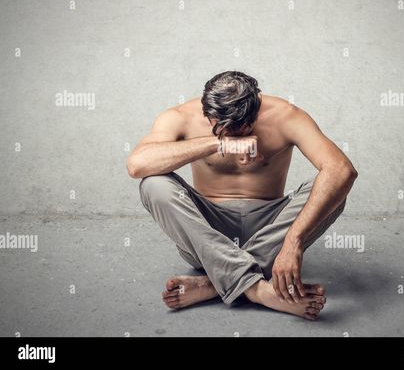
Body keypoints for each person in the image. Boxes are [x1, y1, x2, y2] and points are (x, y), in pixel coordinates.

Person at [127, 71, 358, 320]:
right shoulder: (181, 117)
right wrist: (218, 144)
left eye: (241, 129)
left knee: (333, 190)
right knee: (154, 184)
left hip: (271, 230)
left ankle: (213, 284)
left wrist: (293, 242)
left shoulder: (285, 115)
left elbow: (342, 170)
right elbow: (138, 164)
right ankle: (257, 289)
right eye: (222, 129)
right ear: (208, 114)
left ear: (256, 111)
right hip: (207, 233)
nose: (233, 135)